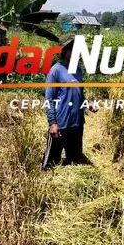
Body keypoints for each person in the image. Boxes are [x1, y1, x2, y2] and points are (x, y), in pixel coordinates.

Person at [42, 37, 89, 168]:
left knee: (75, 161)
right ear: (65, 51)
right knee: (51, 164)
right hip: (61, 124)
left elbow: (79, 95)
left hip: (77, 123)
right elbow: (49, 99)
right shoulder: (56, 70)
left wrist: (87, 104)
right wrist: (52, 123)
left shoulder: (78, 70)